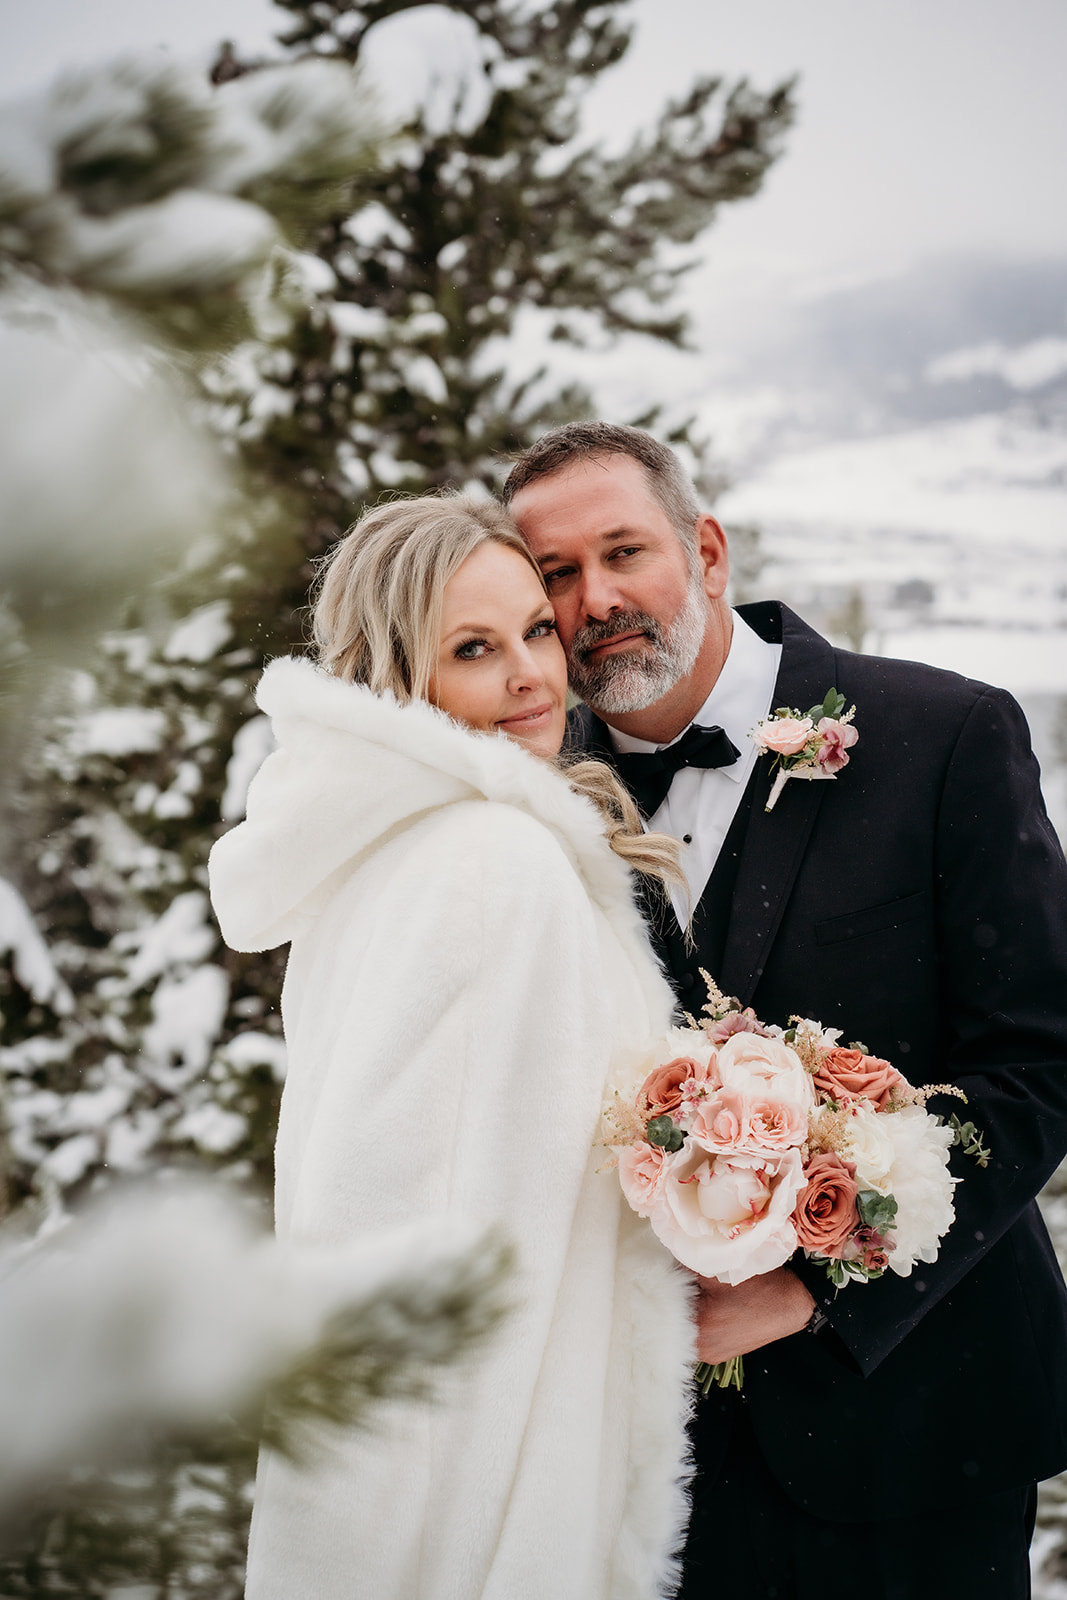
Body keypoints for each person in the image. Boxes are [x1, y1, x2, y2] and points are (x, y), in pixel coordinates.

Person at [504, 421, 1067, 1600]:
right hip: (639, 1463)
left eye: (623, 552)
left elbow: (1039, 1064)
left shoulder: (943, 734)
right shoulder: (519, 800)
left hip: (916, 1424)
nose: (594, 597)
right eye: (554, 573)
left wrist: (812, 1286)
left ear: (705, 551)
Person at [207, 492, 696, 1600]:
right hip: (494, 1485)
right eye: (473, 649)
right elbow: (388, 1224)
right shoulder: (486, 861)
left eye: (535, 628)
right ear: (399, 677)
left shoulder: (403, 843)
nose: (532, 673)